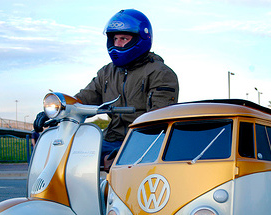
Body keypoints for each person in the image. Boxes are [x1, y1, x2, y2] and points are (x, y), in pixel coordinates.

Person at [34, 9, 179, 166]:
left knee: (115, 163)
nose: (117, 44)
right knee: (67, 153)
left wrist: (130, 149)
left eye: (124, 38)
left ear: (141, 38)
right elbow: (83, 99)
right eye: (115, 39)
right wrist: (57, 111)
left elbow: (159, 119)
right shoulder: (107, 72)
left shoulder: (160, 73)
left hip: (144, 139)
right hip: (111, 138)